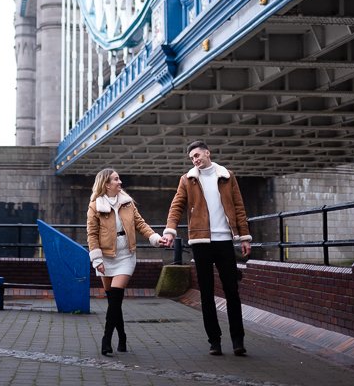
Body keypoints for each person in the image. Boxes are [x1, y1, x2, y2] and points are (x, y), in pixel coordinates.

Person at [162, 140, 252, 356]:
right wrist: (169, 230)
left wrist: (244, 237)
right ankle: (215, 341)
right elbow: (176, 206)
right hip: (200, 243)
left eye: (197, 155)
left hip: (224, 242)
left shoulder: (227, 176)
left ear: (207, 153)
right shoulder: (188, 179)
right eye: (192, 158)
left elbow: (239, 207)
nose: (195, 159)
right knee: (206, 294)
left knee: (232, 291)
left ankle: (238, 340)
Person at [87, 168, 165, 355]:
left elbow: (140, 224)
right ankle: (122, 336)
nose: (120, 182)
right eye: (116, 179)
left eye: (119, 179)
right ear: (106, 184)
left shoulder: (128, 203)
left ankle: (106, 340)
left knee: (115, 297)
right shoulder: (95, 206)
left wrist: (155, 237)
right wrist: (96, 259)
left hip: (126, 256)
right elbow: (92, 234)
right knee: (114, 301)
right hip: (105, 256)